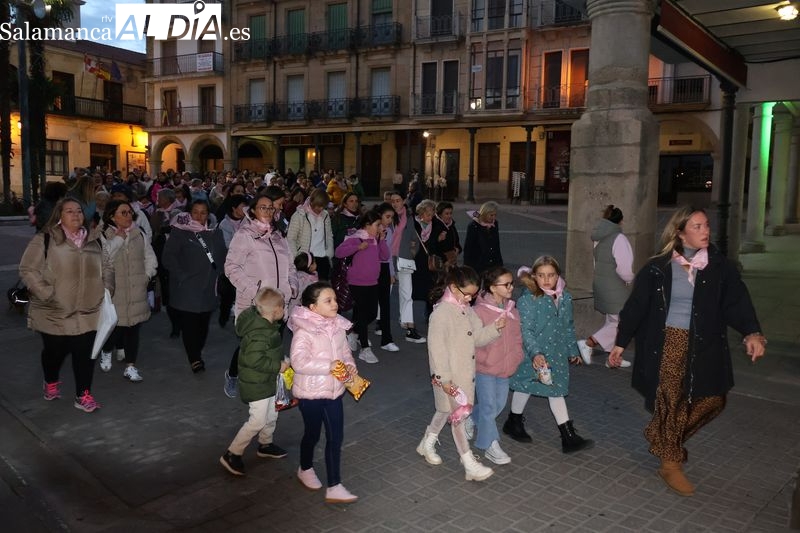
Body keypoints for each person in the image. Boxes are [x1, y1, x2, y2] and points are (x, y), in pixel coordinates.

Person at [608, 206, 765, 497]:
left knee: (714, 399)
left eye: (706, 225)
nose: (705, 231)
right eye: (697, 226)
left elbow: (736, 302)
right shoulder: (658, 266)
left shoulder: (719, 267)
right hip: (666, 341)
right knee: (672, 401)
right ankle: (670, 462)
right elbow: (636, 307)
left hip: (703, 343)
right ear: (680, 232)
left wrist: (752, 332)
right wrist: (620, 342)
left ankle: (662, 435)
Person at [19, 198, 114, 413]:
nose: (75, 215)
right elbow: (27, 269)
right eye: (69, 211)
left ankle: (83, 395)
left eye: (79, 211)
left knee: (85, 355)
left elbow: (108, 266)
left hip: (88, 311)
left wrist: (106, 289)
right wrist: (46, 293)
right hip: (55, 311)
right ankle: (50, 380)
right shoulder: (45, 239)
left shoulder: (95, 240)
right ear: (59, 215)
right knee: (55, 353)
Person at [416, 266, 505, 481]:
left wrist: (495, 329)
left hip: (464, 375)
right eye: (467, 294)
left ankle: (426, 444)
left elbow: (477, 337)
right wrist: (444, 379)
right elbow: (436, 350)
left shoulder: (466, 309)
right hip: (449, 377)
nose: (469, 298)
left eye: (473, 295)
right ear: (453, 288)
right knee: (459, 418)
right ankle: (469, 463)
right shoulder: (441, 313)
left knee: (445, 411)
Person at [504, 256, 594, 454]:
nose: (546, 280)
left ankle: (564, 436)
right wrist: (535, 353)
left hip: (557, 355)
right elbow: (525, 330)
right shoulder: (528, 299)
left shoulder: (565, 297)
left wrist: (573, 350)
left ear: (558, 276)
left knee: (556, 390)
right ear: (534, 276)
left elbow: (568, 326)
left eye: (551, 275)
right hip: (534, 354)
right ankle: (518, 422)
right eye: (541, 275)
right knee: (526, 386)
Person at [289, 282, 360, 504]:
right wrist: (328, 365)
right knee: (312, 435)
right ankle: (305, 467)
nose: (335, 304)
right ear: (313, 307)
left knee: (335, 437)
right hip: (310, 395)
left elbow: (346, 353)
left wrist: (350, 367)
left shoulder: (338, 326)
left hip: (334, 392)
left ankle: (334, 485)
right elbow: (298, 362)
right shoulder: (303, 332)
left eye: (335, 300)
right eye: (328, 301)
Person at [224, 193, 298, 398]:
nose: (268, 211)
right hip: (254, 306)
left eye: (271, 208)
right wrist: (256, 293)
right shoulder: (245, 234)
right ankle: (233, 375)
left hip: (279, 305)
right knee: (250, 347)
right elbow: (231, 267)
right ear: (254, 210)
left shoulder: (279, 236)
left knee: (273, 346)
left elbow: (291, 266)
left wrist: (292, 288)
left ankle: (269, 386)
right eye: (263, 207)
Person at [220, 287, 289, 476]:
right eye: (283, 307)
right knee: (257, 420)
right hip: (256, 384)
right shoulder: (260, 333)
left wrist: (281, 363)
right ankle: (232, 453)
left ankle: (265, 445)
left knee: (271, 414)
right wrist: (278, 366)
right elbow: (254, 360)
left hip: (266, 380)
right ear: (275, 311)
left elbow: (268, 352)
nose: (285, 310)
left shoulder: (267, 326)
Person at [161, 200, 226, 373]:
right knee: (190, 323)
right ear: (189, 214)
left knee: (203, 323)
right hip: (187, 287)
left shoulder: (215, 233)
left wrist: (222, 273)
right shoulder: (180, 232)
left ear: (208, 214)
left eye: (203, 212)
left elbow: (223, 256)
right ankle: (195, 358)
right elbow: (168, 257)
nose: (199, 216)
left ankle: (197, 350)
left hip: (209, 286)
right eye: (195, 212)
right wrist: (181, 275)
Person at [98, 200, 158, 382]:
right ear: (111, 216)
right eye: (123, 213)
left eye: (130, 212)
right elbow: (103, 258)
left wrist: (146, 276)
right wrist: (118, 239)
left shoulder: (138, 233)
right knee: (113, 328)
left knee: (133, 329)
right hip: (114, 292)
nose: (128, 216)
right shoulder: (102, 234)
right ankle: (106, 350)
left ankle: (130, 366)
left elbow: (150, 257)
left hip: (136, 290)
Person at [472, 267, 524, 465]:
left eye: (512, 283)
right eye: (506, 284)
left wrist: (517, 356)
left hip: (505, 368)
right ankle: (490, 445)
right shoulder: (479, 311)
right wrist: (485, 356)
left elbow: (517, 337)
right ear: (493, 288)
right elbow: (475, 340)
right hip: (485, 368)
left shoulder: (512, 310)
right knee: (488, 407)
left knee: (499, 405)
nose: (511, 287)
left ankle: (469, 418)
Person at [578, 205, 634, 368]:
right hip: (615, 286)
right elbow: (625, 269)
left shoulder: (599, 237)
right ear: (620, 221)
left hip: (601, 283)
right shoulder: (619, 238)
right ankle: (589, 343)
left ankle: (613, 358)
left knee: (613, 320)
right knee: (622, 322)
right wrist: (631, 279)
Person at [335, 210, 390, 364]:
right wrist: (357, 247)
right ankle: (365, 349)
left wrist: (382, 240)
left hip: (372, 282)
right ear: (367, 225)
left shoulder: (376, 239)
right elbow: (339, 252)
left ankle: (352, 331)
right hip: (356, 282)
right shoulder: (356, 237)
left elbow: (385, 256)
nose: (380, 228)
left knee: (371, 313)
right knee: (364, 313)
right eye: (377, 225)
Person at [388, 192, 425, 343]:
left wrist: (412, 251)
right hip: (388, 259)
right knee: (385, 292)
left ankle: (410, 327)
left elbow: (415, 239)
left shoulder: (409, 218)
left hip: (404, 259)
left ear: (403, 201)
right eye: (392, 201)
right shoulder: (387, 217)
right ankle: (379, 322)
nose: (395, 203)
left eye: (398, 200)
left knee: (407, 294)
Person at [286, 189, 334, 281]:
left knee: (323, 290)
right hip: (306, 260)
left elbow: (329, 235)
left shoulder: (325, 215)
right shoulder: (299, 215)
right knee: (307, 292)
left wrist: (329, 253)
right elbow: (291, 238)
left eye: (323, 207)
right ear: (311, 202)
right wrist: (297, 258)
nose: (320, 209)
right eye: (318, 206)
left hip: (323, 258)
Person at [216, 194, 249, 328]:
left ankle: (241, 318)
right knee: (228, 294)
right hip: (229, 264)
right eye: (243, 207)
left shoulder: (247, 221)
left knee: (243, 292)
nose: (246, 210)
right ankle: (223, 316)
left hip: (246, 264)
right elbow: (227, 244)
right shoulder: (225, 224)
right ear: (234, 208)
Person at [373, 202, 399, 352]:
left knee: (385, 304)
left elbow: (388, 254)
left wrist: (391, 272)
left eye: (391, 217)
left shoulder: (389, 230)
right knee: (367, 304)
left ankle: (386, 339)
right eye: (387, 216)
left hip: (383, 268)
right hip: (370, 268)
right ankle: (357, 332)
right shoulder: (371, 229)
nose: (389, 220)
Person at [412, 200, 437, 317]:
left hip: (429, 263)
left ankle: (430, 314)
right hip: (416, 261)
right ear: (421, 214)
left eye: (432, 215)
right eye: (428, 215)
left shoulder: (435, 224)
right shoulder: (414, 224)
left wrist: (439, 239)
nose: (430, 218)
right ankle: (409, 316)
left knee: (431, 289)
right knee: (414, 289)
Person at [463, 201, 503, 275]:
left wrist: (500, 264)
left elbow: (496, 245)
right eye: (491, 215)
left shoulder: (495, 224)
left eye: (495, 215)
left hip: (492, 263)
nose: (493, 217)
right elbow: (468, 247)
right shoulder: (474, 226)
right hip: (478, 264)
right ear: (484, 213)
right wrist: (467, 267)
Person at [431, 201, 461, 267]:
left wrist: (457, 249)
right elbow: (432, 246)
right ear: (440, 214)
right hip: (440, 262)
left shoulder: (451, 225)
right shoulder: (435, 226)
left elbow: (456, 241)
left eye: (451, 213)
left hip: (452, 260)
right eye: (446, 214)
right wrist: (438, 239)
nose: (449, 216)